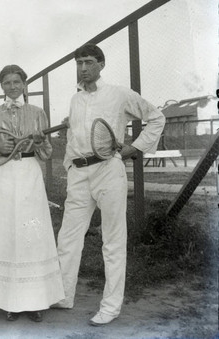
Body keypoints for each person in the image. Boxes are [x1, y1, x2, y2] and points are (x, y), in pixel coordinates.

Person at [54, 43, 165, 326]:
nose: (82, 68)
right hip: (79, 174)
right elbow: (74, 138)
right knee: (68, 239)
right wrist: (69, 166)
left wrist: (134, 148)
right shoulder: (75, 99)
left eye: (88, 62)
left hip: (108, 171)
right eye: (79, 63)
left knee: (113, 241)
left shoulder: (119, 94)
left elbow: (156, 117)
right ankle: (64, 296)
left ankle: (111, 306)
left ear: (101, 64)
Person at [0, 65, 65, 322]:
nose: (12, 87)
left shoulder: (37, 113)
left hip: (29, 175)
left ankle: (34, 301)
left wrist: (41, 142)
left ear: (24, 84)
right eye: (7, 82)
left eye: (17, 82)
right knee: (6, 231)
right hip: (2, 174)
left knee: (31, 233)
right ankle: (8, 300)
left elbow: (46, 154)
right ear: (1, 86)